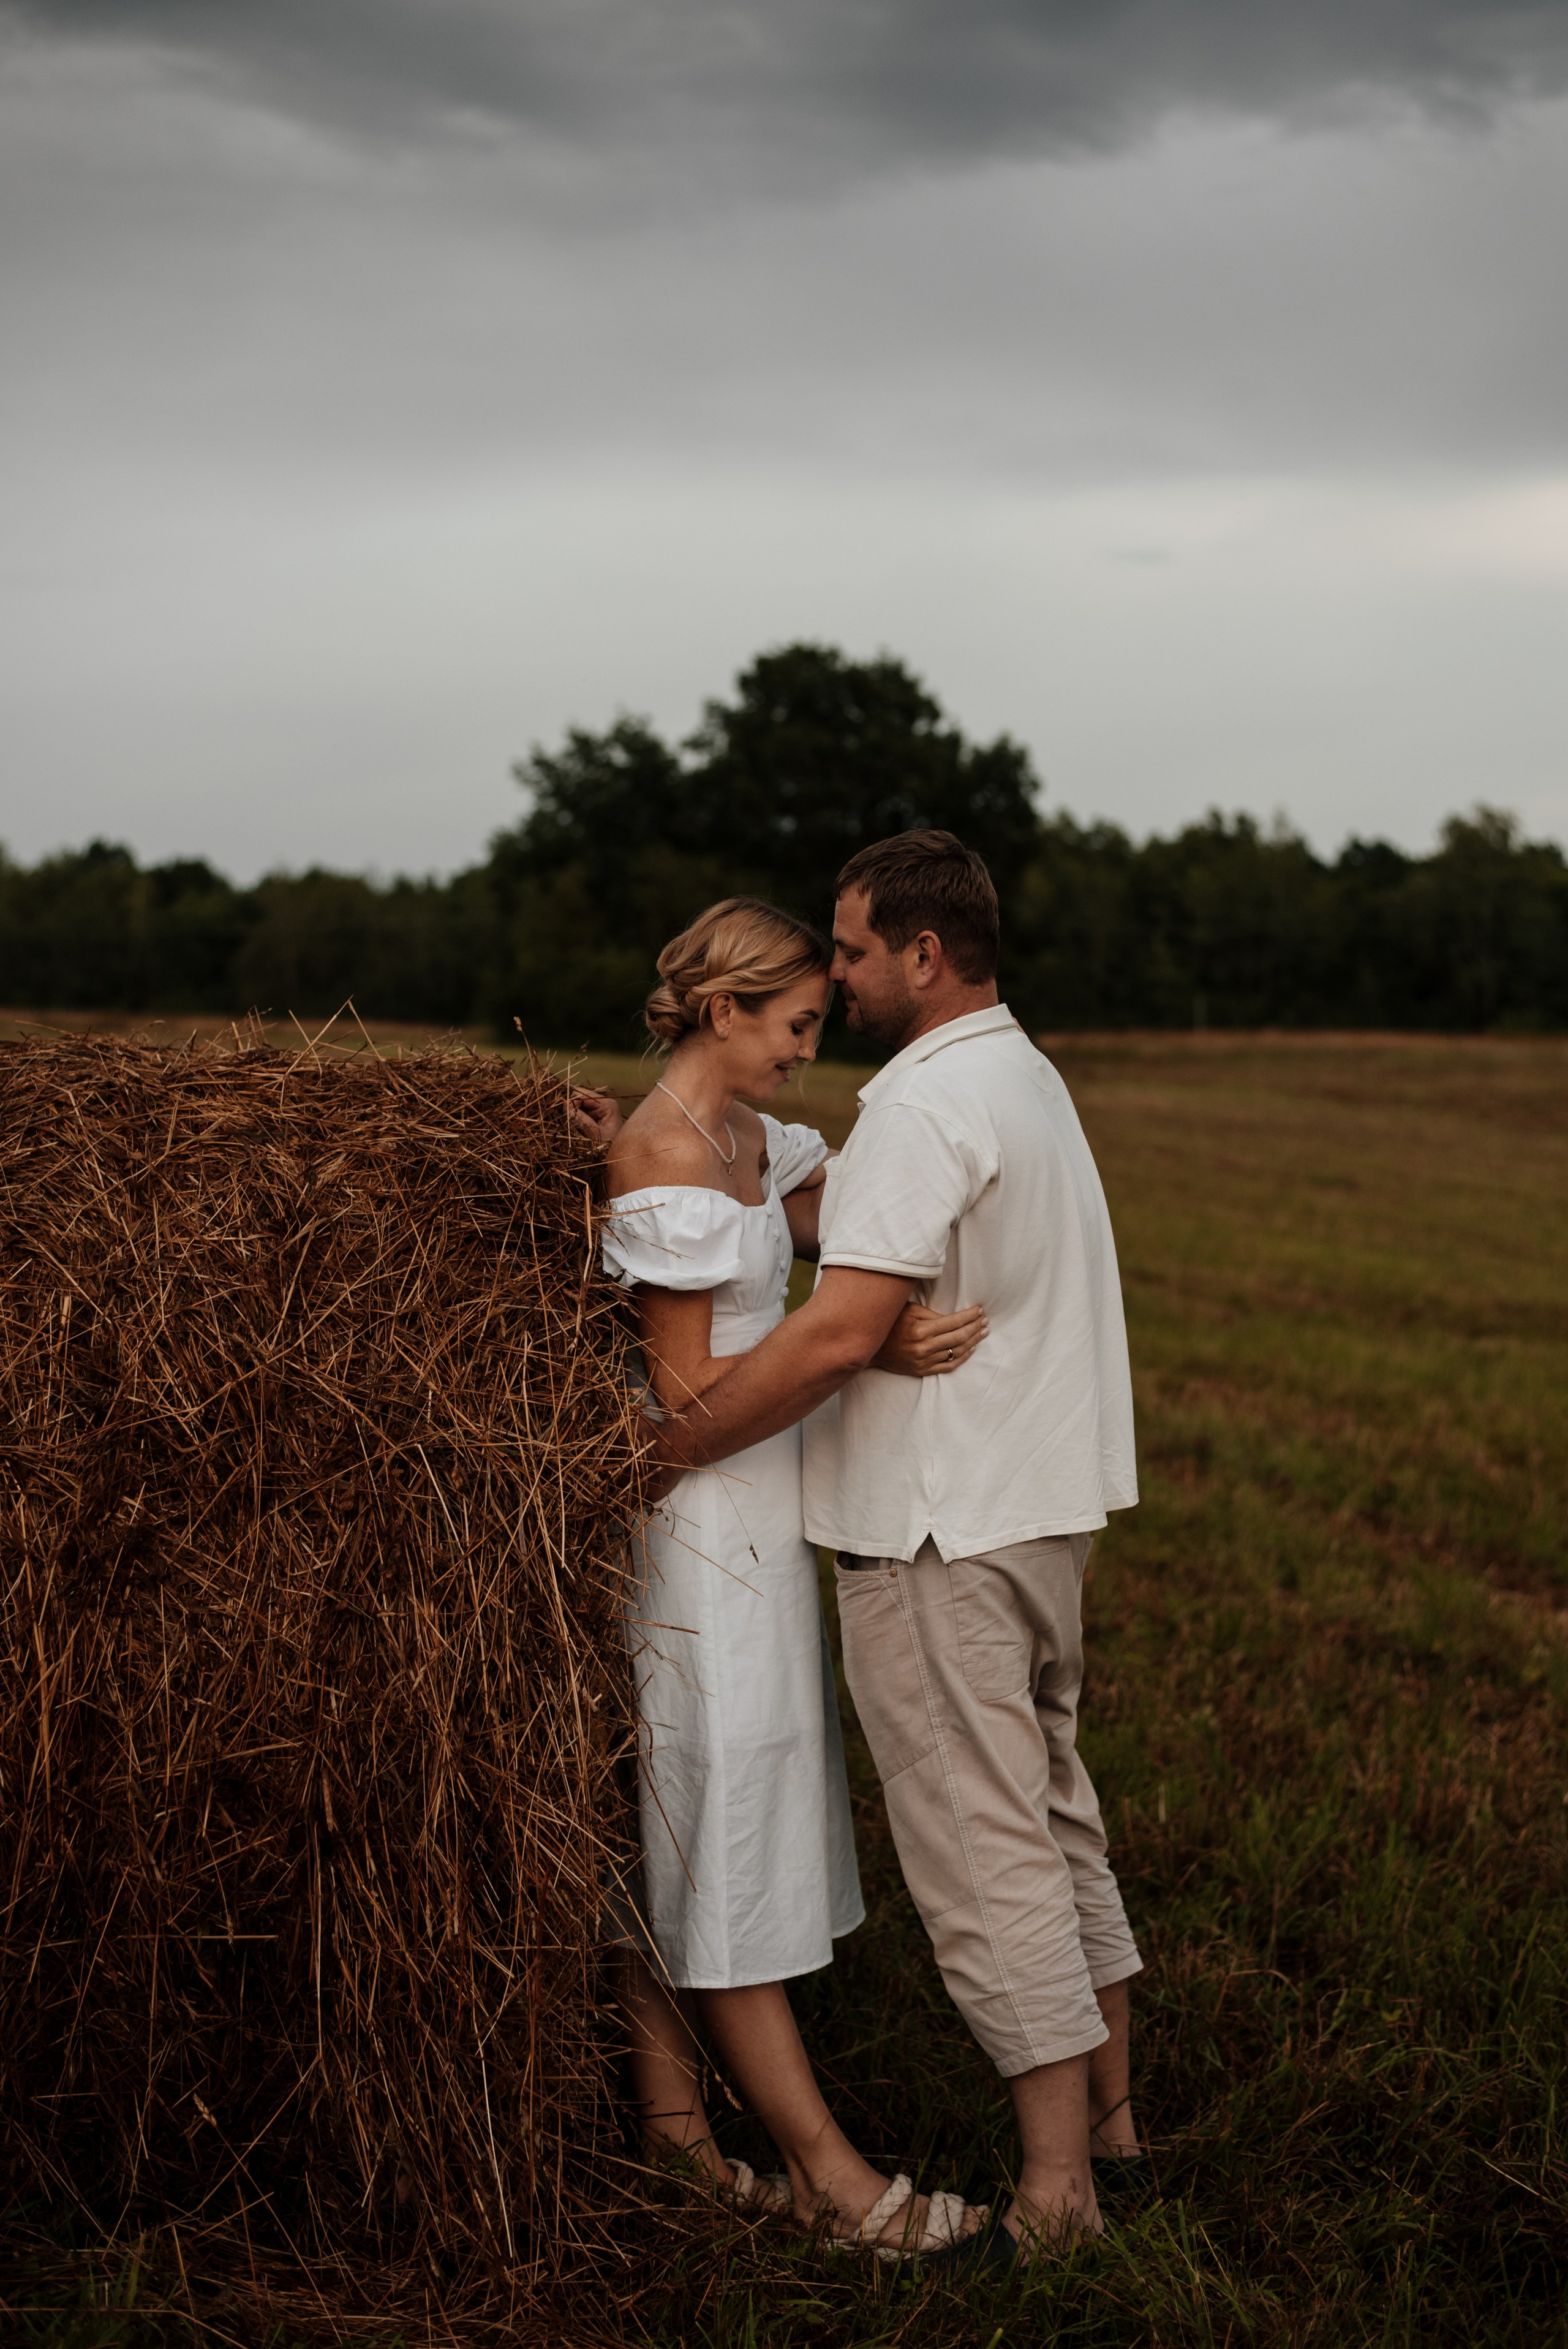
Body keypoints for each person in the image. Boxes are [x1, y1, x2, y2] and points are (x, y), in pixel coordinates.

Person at [649, 833, 1143, 2265]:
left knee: (982, 1853)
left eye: (853, 951)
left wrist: (664, 1450)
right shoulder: (1019, 1073)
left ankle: (1056, 2193)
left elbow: (841, 1325)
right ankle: (1113, 2126)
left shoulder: (926, 1103)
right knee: (1053, 1821)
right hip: (1036, 1513)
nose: (839, 972)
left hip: (942, 1535)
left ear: (922, 956)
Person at [597, 896, 990, 2261]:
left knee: (702, 1812)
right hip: (702, 1537)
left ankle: (675, 2140)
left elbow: (846, 1219)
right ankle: (831, 2179)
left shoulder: (754, 1142)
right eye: (794, 1027)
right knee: (721, 1813)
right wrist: (855, 1349)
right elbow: (684, 1390)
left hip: (762, 1522)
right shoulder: (660, 1157)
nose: (805, 1053)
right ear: (722, 1013)